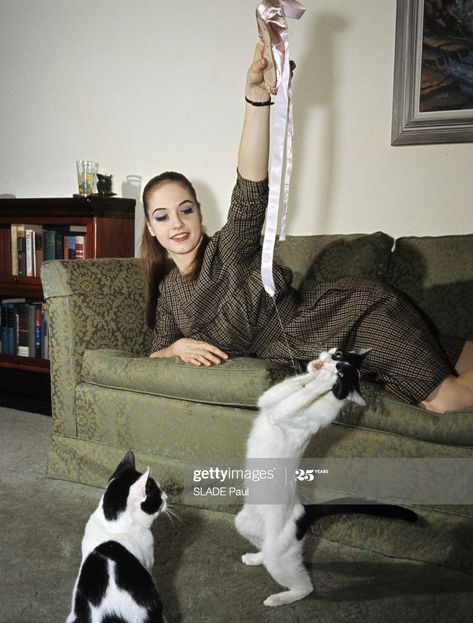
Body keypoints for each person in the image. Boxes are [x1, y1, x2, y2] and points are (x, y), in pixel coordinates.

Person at [140, 45, 473, 414]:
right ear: (151, 229)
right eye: (162, 216)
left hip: (351, 317)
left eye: (185, 209)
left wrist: (256, 100)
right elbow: (154, 355)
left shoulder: (228, 249)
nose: (177, 223)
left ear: (200, 214)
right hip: (324, 349)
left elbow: (251, 187)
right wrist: (177, 348)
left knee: (448, 401)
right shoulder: (169, 292)